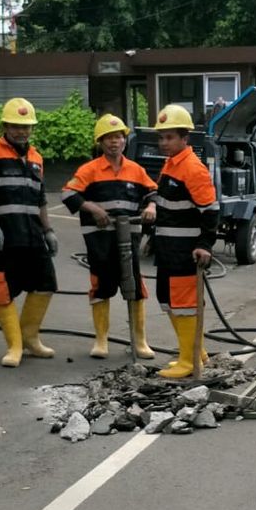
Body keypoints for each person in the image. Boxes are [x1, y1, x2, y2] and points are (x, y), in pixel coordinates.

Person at [61, 114, 158, 360]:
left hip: (130, 237)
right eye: (108, 138)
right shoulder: (89, 170)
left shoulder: (136, 170)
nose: (114, 142)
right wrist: (93, 209)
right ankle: (101, 340)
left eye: (118, 137)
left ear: (124, 141)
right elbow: (68, 194)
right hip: (100, 239)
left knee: (135, 283)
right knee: (101, 284)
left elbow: (153, 192)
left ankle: (140, 341)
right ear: (100, 142)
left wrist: (151, 208)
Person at [0, 97, 59, 368]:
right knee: (2, 289)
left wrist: (48, 230)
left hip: (32, 234)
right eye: (16, 126)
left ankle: (29, 338)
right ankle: (15, 346)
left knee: (45, 284)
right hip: (3, 235)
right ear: (5, 125)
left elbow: (40, 197)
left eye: (27, 126)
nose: (22, 131)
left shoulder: (35, 158)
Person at [151, 104, 218, 379]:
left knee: (184, 305)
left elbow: (211, 211)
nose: (164, 143)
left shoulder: (192, 168)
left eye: (170, 137)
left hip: (184, 252)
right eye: (161, 137)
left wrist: (204, 244)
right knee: (167, 299)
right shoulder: (171, 165)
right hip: (167, 249)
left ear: (184, 138)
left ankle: (189, 361)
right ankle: (195, 351)